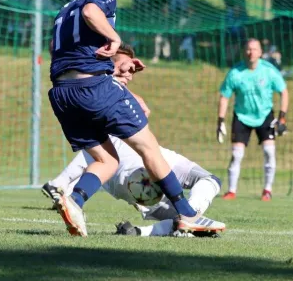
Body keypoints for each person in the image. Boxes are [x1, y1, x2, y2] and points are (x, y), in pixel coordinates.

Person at [48, 0, 209, 237]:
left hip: (62, 94)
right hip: (93, 89)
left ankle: (74, 200)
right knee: (149, 147)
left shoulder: (64, 10)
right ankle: (187, 214)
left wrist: (115, 66)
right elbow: (91, 11)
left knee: (106, 161)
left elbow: (65, 50)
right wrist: (114, 36)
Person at [43, 44, 225, 237]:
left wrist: (62, 181)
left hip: (117, 184)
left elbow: (86, 155)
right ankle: (188, 219)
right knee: (208, 180)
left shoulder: (79, 98)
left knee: (104, 160)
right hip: (142, 166)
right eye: (125, 66)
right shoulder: (113, 95)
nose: (129, 72)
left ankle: (138, 231)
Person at [217, 38, 288, 201]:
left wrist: (282, 118)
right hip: (242, 116)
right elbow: (224, 97)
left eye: (255, 49)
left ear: (260, 52)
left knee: (269, 152)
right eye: (248, 49)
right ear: (244, 51)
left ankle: (267, 190)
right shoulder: (235, 72)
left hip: (264, 116)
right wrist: (220, 121)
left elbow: (284, 92)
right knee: (237, 155)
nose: (251, 52)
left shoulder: (269, 71)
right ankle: (231, 191)